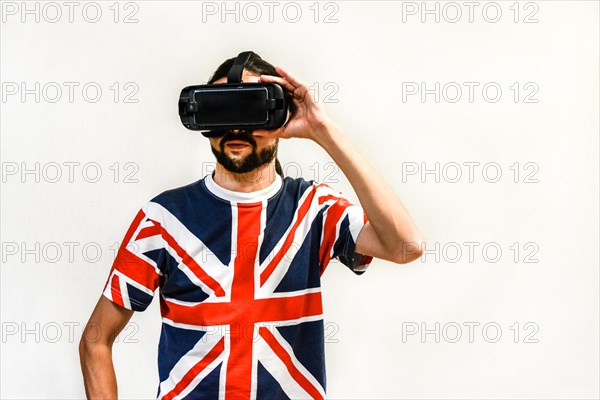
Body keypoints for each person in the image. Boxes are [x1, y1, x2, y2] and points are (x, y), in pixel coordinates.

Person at [79, 52, 426, 399]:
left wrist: (323, 130)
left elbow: (405, 246)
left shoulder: (314, 210)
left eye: (250, 109)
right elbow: (95, 340)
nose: (235, 127)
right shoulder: (163, 219)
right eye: (221, 109)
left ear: (280, 117)